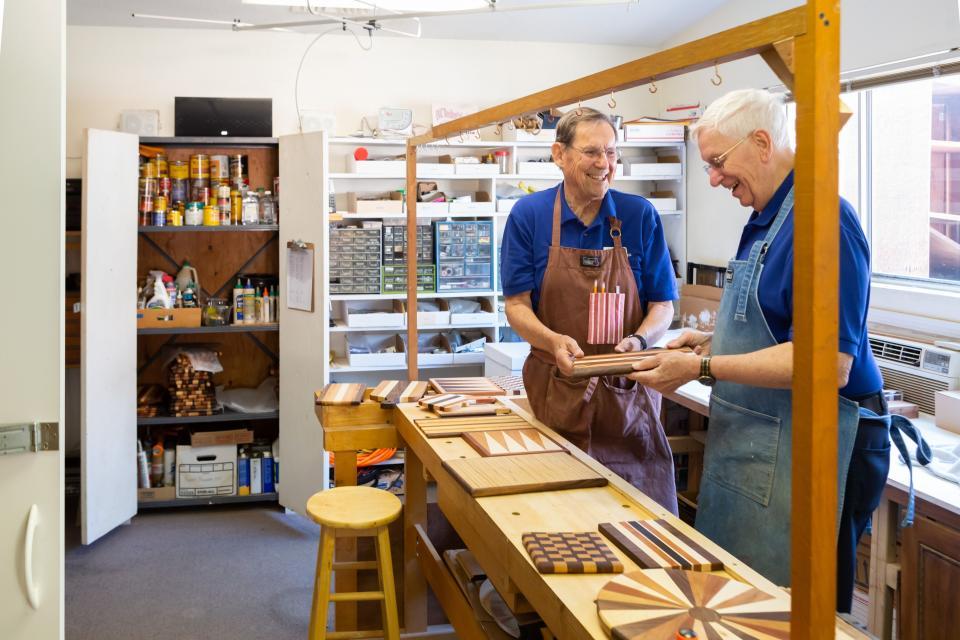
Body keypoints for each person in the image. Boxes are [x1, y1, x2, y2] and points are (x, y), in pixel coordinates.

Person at [627, 88, 926, 610]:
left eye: (718, 163)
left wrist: (700, 364)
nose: (714, 179)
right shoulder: (767, 218)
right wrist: (709, 339)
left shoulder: (823, 222)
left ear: (761, 142)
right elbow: (776, 329)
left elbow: (826, 363)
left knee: (798, 608)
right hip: (767, 439)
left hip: (826, 443)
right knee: (750, 600)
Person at [500, 107, 679, 514]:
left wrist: (639, 339)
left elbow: (662, 307)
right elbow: (516, 306)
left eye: (612, 153)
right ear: (559, 155)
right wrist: (552, 340)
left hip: (628, 395)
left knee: (638, 514)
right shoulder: (529, 216)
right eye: (592, 152)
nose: (604, 164)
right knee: (557, 510)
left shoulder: (639, 215)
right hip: (557, 389)